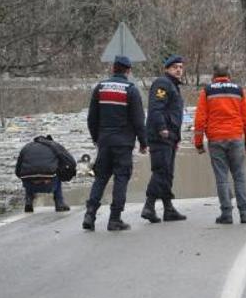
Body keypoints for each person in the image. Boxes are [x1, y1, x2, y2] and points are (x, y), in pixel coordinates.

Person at [84, 55, 148, 231]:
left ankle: (89, 214)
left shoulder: (100, 88)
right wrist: (143, 143)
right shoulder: (131, 90)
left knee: (101, 178)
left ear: (113, 68)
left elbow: (92, 118)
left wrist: (97, 138)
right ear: (128, 71)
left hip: (104, 141)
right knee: (121, 179)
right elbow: (138, 120)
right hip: (123, 144)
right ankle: (115, 219)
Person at [193, 64, 246, 224]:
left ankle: (226, 213)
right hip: (236, 137)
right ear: (229, 75)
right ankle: (245, 213)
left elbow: (200, 119)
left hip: (216, 139)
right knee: (239, 176)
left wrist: (198, 143)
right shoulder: (239, 90)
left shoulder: (207, 91)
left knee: (222, 178)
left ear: (214, 76)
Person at [141, 55, 187, 223]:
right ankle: (149, 205)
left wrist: (177, 137)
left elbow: (173, 113)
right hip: (161, 135)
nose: (179, 69)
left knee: (167, 173)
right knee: (161, 171)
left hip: (171, 136)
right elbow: (156, 109)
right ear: (167, 69)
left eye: (181, 67)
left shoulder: (173, 86)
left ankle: (168, 209)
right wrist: (162, 129)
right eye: (175, 67)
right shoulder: (162, 83)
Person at [15, 135, 70, 213]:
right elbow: (67, 162)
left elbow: (18, 170)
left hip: (30, 184)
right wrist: (67, 175)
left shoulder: (26, 147)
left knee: (28, 173)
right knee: (58, 173)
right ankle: (59, 203)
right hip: (49, 183)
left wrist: (23, 179)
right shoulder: (55, 147)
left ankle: (28, 201)